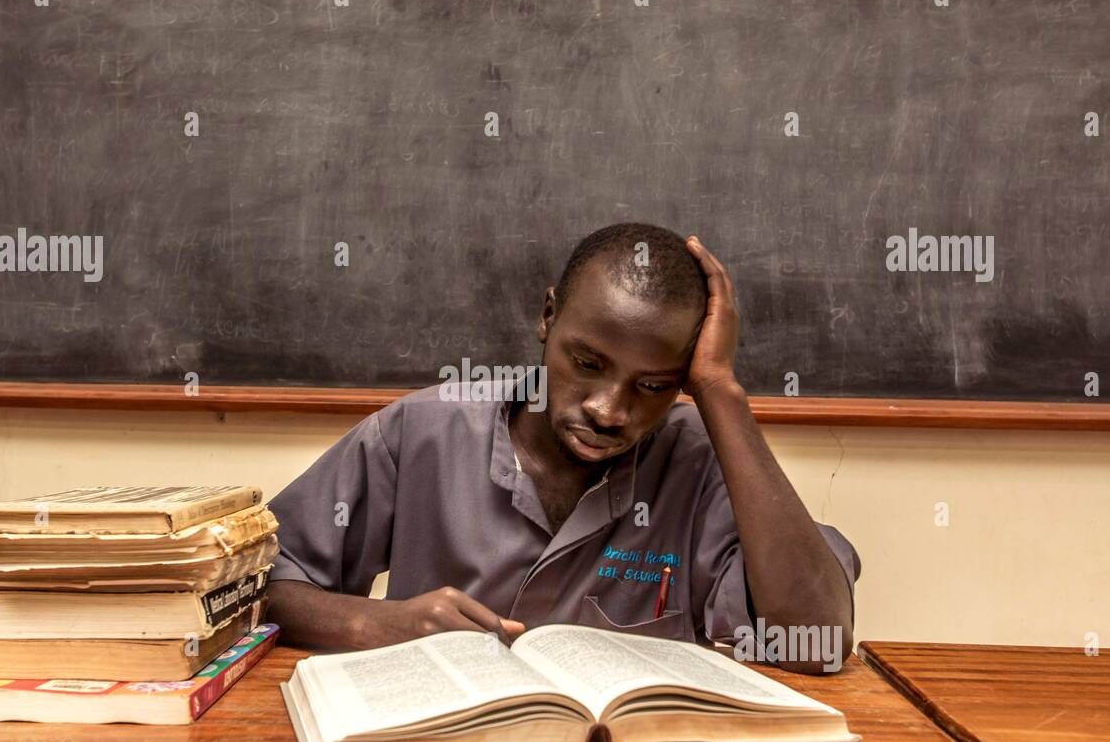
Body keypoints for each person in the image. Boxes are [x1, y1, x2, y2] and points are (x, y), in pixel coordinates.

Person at [264, 222, 859, 673]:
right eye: (587, 363)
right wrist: (377, 623)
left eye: (654, 386)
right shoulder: (423, 432)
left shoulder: (703, 462)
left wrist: (720, 391)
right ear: (548, 315)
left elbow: (818, 642)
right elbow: (253, 587)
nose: (608, 410)